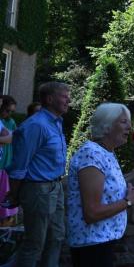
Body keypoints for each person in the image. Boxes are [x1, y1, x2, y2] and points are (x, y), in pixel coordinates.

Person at [67, 103, 134, 267]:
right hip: (91, 246)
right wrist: (129, 201)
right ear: (106, 126)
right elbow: (92, 212)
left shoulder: (106, 152)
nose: (129, 127)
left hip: (103, 242)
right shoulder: (91, 154)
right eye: (123, 122)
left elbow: (106, 193)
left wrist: (128, 192)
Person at [5, 82, 70, 266]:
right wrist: (15, 193)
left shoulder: (56, 122)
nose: (69, 100)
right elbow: (19, 166)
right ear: (50, 99)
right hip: (38, 189)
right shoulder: (36, 125)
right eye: (64, 96)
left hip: (55, 187)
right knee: (34, 243)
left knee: (57, 237)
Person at [0, 96, 18, 225]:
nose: (9, 114)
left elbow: (13, 137)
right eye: (7, 110)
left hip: (5, 164)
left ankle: (5, 222)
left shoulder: (9, 122)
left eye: (12, 111)